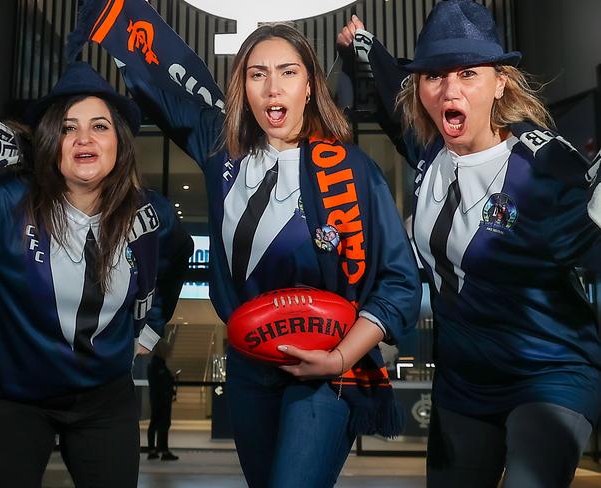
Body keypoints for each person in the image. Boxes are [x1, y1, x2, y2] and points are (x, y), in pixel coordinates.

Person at [69, 2, 422, 486]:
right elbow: (162, 91)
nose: (273, 87)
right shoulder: (222, 148)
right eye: (257, 74)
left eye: (287, 72)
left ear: (309, 87)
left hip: (329, 366)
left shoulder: (353, 170)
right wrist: (114, 22)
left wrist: (339, 357)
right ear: (243, 89)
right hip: (248, 368)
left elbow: (399, 283)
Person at [337, 2, 601, 487]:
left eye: (468, 73)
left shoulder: (544, 169)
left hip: (548, 373)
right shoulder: (431, 149)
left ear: (500, 82)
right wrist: (364, 44)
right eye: (434, 76)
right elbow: (398, 81)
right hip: (463, 383)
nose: (449, 90)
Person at [0, 61, 193, 488]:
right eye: (67, 128)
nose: (84, 138)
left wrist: (151, 329)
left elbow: (176, 258)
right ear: (49, 141)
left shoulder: (150, 215)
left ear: (119, 140)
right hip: (13, 398)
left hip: (105, 401)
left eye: (99, 126)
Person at [146, 339, 178, 461]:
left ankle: (156, 449)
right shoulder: (157, 366)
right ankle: (160, 450)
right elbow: (160, 384)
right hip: (160, 400)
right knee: (160, 424)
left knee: (157, 424)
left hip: (159, 399)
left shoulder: (159, 364)